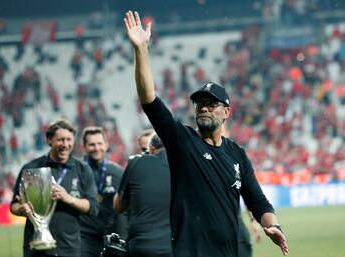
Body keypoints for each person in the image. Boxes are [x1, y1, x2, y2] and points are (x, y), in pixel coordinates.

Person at [123, 10, 288, 257]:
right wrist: (141, 49)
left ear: (226, 112)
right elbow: (149, 99)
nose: (204, 107)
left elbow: (257, 200)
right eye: (199, 102)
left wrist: (271, 225)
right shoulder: (182, 140)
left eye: (212, 103)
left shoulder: (236, 154)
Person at [10, 119, 98, 257]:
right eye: (60, 140)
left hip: (69, 248)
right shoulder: (31, 168)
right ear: (49, 140)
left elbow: (92, 207)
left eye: (69, 139)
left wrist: (68, 198)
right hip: (36, 246)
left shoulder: (82, 169)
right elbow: (14, 205)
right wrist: (21, 210)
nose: (65, 144)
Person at [113, 133, 171, 257]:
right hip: (173, 247)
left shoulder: (137, 162)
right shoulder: (184, 166)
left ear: (152, 149)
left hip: (141, 246)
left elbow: (118, 206)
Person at [79, 126, 127, 257]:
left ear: (106, 145)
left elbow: (125, 208)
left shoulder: (117, 172)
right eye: (92, 144)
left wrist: (122, 236)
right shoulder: (76, 171)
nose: (96, 148)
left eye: (100, 143)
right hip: (83, 237)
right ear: (83, 147)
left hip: (110, 237)